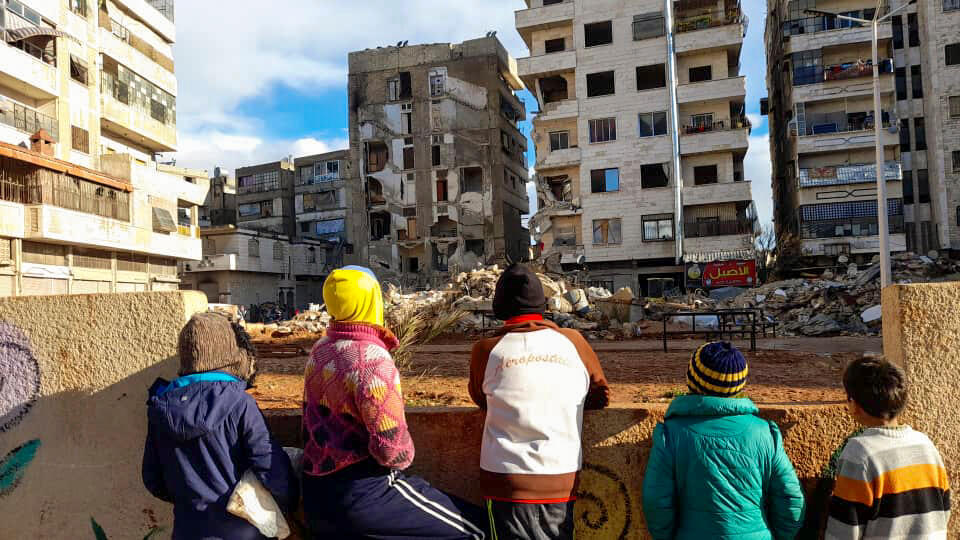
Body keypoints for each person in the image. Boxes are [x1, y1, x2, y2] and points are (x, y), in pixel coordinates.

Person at [301, 265, 488, 539]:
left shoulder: (320, 349)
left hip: (317, 493)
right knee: (479, 530)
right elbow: (392, 451)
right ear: (372, 300)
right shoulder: (371, 358)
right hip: (365, 492)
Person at [469, 263, 610, 540]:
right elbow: (601, 394)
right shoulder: (573, 341)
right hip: (561, 476)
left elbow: (480, 398)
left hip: (504, 481)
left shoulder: (486, 349)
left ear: (500, 306)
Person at [142, 312, 298, 540]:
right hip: (243, 531)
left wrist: (190, 502)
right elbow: (269, 465)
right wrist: (289, 501)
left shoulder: (160, 406)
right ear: (228, 353)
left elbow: (153, 479)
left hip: (188, 531)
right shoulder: (240, 403)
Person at [643, 341, 805, 540]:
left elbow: (656, 501)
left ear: (691, 380)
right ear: (739, 386)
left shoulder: (671, 435)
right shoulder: (765, 433)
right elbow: (790, 498)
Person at [825, 357, 950, 539]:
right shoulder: (925, 444)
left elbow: (844, 529)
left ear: (854, 405)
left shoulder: (859, 452)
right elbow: (944, 511)